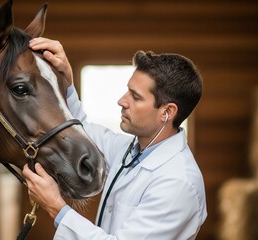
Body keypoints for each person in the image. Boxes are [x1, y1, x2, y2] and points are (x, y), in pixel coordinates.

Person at [22, 37, 207, 239]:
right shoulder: (132, 150)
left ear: (167, 112)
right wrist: (66, 80)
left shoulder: (178, 184)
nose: (121, 101)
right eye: (128, 90)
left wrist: (57, 207)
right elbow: (81, 131)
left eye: (135, 97)